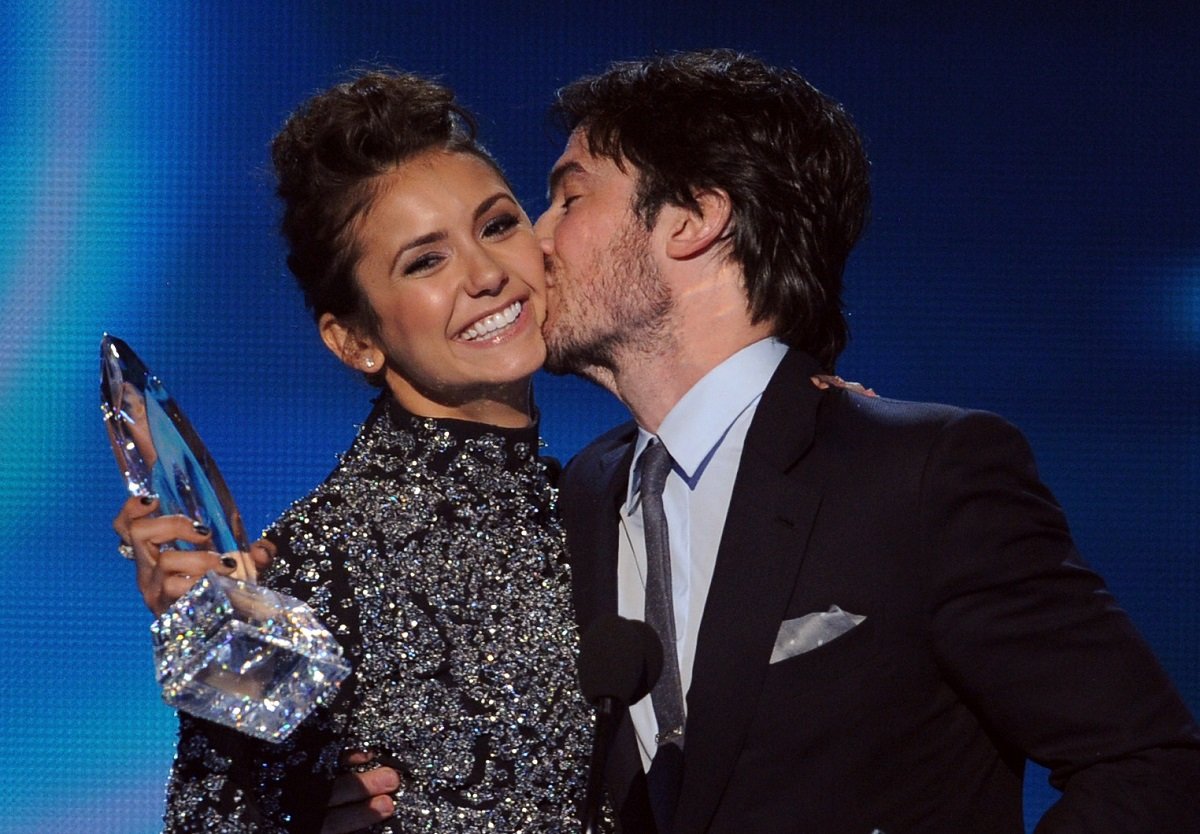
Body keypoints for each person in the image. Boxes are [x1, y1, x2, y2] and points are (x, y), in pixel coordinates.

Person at [532, 49, 1200, 833]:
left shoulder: (920, 473)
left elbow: (1150, 766)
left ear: (693, 219)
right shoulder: (586, 487)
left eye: (569, 198)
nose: (536, 240)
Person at [116, 70, 601, 834]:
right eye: (424, 262)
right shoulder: (316, 558)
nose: (485, 275)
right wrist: (216, 641)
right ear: (355, 339)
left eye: (498, 225)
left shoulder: (608, 496)